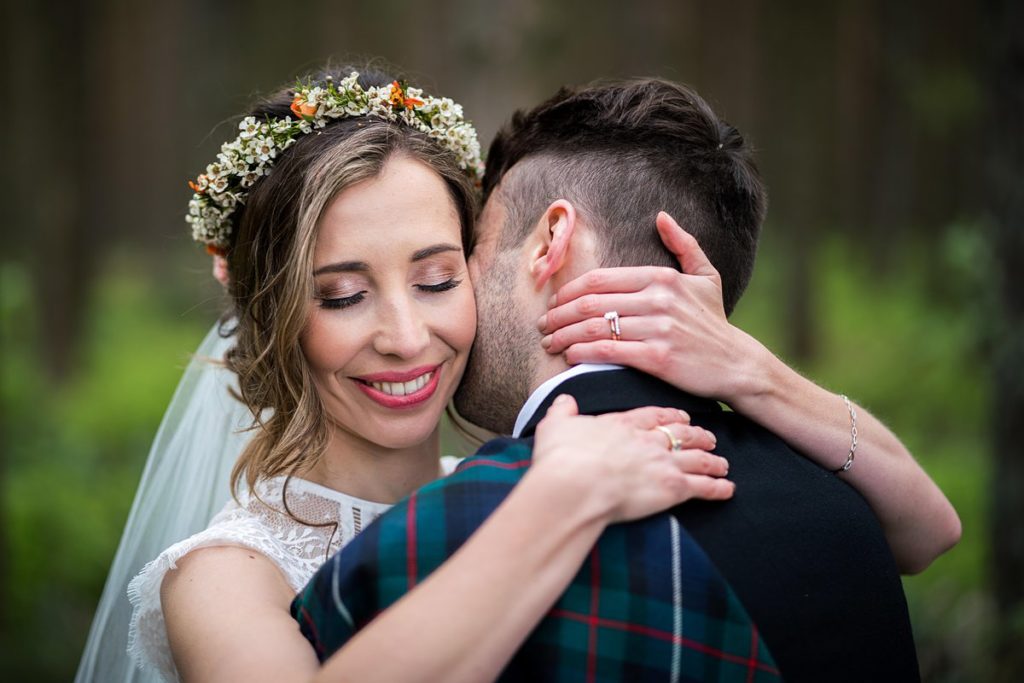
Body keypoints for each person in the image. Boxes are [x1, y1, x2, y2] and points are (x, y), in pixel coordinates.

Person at [74, 66, 956, 682]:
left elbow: (926, 530)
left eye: (438, 277)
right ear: (270, 312)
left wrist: (750, 366)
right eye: (343, 295)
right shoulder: (226, 574)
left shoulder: (514, 471)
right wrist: (557, 498)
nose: (408, 334)